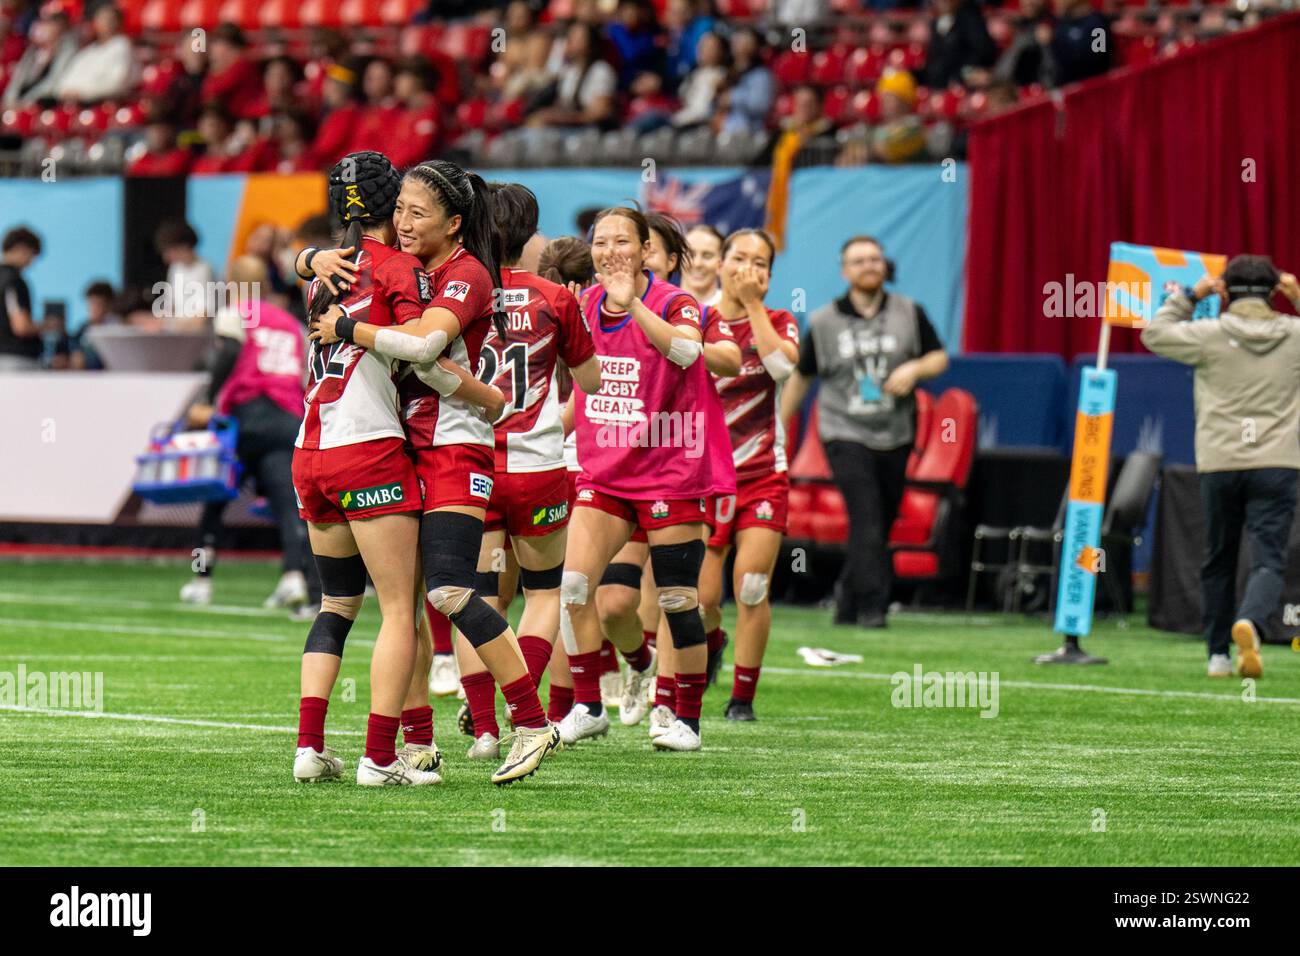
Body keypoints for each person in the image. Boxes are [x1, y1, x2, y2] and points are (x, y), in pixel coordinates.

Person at [309, 158, 562, 785]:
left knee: (449, 590)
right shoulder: (411, 268)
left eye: (416, 213)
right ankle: (413, 744)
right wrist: (310, 258)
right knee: (411, 601)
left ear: (454, 223)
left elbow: (424, 349)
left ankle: (532, 721)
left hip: (453, 446)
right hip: (408, 447)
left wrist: (346, 325)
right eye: (398, 210)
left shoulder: (466, 272)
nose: (401, 222)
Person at [289, 152, 446, 786]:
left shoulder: (320, 272)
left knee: (336, 602)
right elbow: (419, 348)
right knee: (399, 610)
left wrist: (305, 257)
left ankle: (309, 748)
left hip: (311, 450)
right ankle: (381, 757)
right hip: (370, 446)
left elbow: (305, 264)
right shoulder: (403, 267)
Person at [557, 206, 732, 753]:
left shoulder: (676, 303)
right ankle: (588, 706)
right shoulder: (583, 304)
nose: (609, 251)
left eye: (621, 241)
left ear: (644, 250)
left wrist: (631, 301)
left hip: (669, 471)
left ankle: (686, 718)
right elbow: (582, 388)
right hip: (605, 470)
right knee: (576, 588)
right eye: (600, 241)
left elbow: (684, 352)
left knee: (680, 601)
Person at [452, 183, 601, 761]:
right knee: (543, 594)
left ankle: (484, 730)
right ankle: (525, 713)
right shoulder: (553, 298)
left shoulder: (463, 292)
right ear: (529, 232)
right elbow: (588, 384)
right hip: (538, 467)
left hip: (472, 465)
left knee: (478, 596)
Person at [1140, 257, 1300, 679]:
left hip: (1221, 462)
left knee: (1219, 559)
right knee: (1268, 558)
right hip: (1278, 461)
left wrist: (1193, 295)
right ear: (1275, 290)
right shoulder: (1295, 334)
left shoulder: (1208, 335)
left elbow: (1153, 333)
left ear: (1225, 292)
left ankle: (1217, 656)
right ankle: (1250, 620)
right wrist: (1297, 296)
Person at [781, 235, 949, 628]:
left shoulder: (909, 312)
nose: (869, 266)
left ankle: (846, 595)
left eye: (875, 259)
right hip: (844, 431)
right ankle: (874, 607)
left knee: (882, 520)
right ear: (845, 271)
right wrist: (778, 428)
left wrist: (915, 369)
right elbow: (802, 377)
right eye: (859, 261)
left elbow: (938, 356)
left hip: (896, 431)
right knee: (867, 517)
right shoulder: (823, 321)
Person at [696, 229, 798, 723]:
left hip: (762, 475)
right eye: (739, 258)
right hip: (705, 478)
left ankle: (742, 698)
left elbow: (781, 368)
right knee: (702, 600)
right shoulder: (697, 319)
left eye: (760, 263)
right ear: (721, 264)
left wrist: (755, 307)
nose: (747, 270)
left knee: (753, 585)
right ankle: (712, 641)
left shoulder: (778, 321)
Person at [179, 255, 316, 616]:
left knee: (214, 499)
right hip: (287, 417)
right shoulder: (290, 323)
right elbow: (305, 373)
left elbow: (229, 352)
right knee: (289, 505)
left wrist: (209, 398)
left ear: (232, 282)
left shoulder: (235, 311)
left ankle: (200, 580)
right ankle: (293, 577)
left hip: (246, 414)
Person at [54, 3, 134, 103]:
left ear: (119, 23)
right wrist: (66, 90)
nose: (104, 23)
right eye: (100, 19)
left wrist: (81, 92)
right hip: (76, 102)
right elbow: (67, 77)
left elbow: (116, 82)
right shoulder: (89, 50)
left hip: (103, 103)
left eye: (109, 20)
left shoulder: (122, 45)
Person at [0, 226, 42, 371]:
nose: (30, 263)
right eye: (31, 255)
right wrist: (48, 326)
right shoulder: (13, 280)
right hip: (16, 360)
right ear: (21, 248)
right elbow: (21, 326)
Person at [682, 223, 723, 307]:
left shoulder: (735, 311)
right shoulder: (661, 305)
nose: (697, 263)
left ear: (721, 263)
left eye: (707, 256)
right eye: (690, 255)